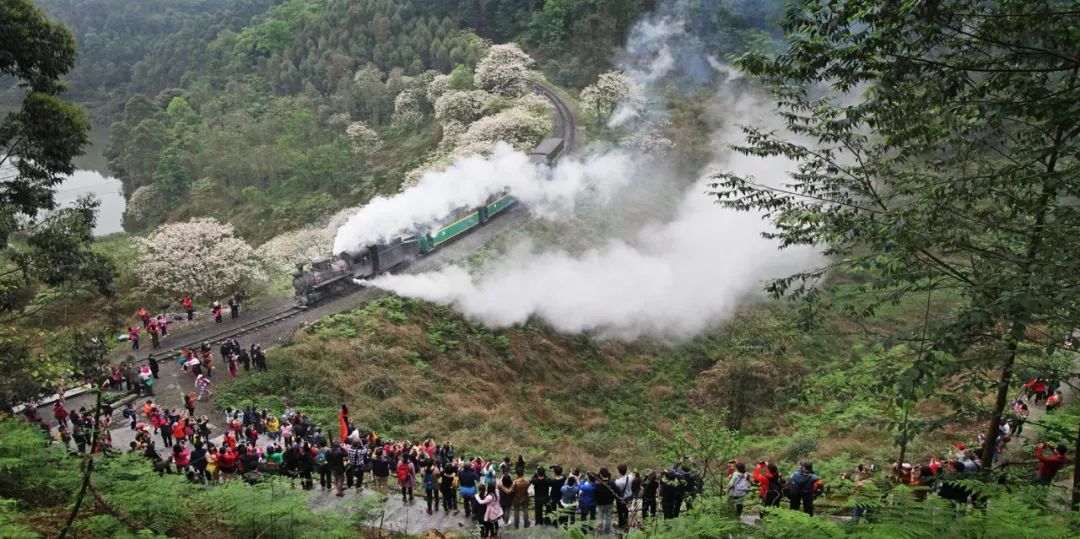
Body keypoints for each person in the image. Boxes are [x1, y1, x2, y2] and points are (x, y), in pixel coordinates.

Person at [595, 468, 616, 534]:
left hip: (600, 504)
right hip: (609, 503)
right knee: (608, 518)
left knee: (600, 518)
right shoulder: (612, 484)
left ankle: (600, 531)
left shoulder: (598, 485)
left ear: (601, 475)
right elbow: (616, 493)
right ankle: (607, 531)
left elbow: (596, 495)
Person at [614, 464, 634, 530]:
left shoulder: (618, 482)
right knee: (626, 510)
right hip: (629, 497)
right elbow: (632, 476)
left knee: (620, 510)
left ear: (619, 471)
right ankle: (626, 521)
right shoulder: (630, 477)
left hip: (621, 498)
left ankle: (621, 524)